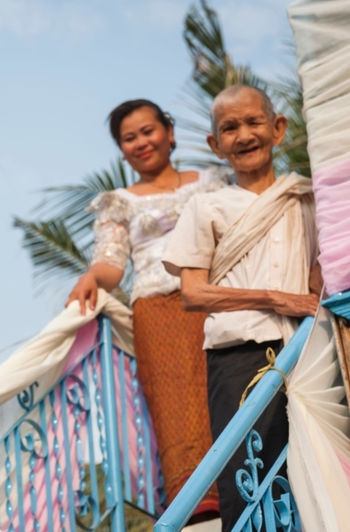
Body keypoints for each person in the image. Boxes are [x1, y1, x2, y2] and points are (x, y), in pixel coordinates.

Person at [162, 85, 321, 531]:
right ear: (216, 144)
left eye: (254, 122)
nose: (244, 135)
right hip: (238, 355)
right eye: (229, 128)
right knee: (245, 476)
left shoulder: (307, 198)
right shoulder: (206, 205)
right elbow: (193, 293)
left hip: (306, 350)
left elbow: (321, 275)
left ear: (278, 128)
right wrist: (273, 298)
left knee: (315, 467)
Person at [68, 99, 226, 517]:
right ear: (122, 150)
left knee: (228, 388)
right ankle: (200, 508)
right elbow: (110, 264)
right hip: (160, 314)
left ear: (169, 133)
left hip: (219, 301)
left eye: (148, 131)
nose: (141, 142)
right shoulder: (119, 201)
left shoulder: (211, 183)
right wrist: (90, 278)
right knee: (179, 408)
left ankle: (244, 480)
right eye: (129, 138)